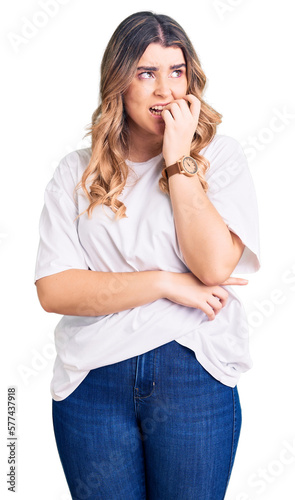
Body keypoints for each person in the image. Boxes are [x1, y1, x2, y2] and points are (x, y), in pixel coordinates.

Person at [34, 11, 260, 500]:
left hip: (194, 373)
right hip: (93, 383)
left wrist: (179, 159)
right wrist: (163, 281)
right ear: (119, 81)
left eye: (175, 72)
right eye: (146, 72)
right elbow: (55, 289)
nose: (165, 90)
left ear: (190, 77)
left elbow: (214, 267)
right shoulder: (76, 172)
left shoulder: (220, 158)